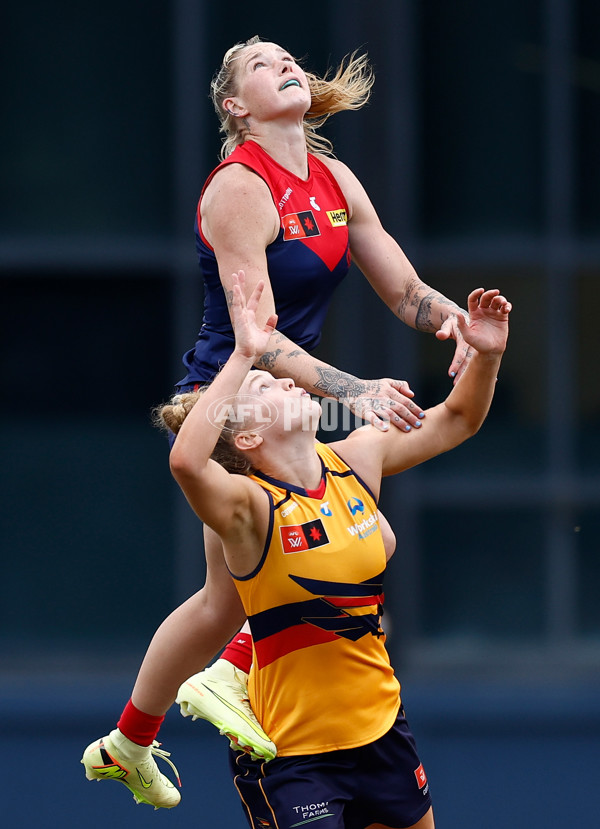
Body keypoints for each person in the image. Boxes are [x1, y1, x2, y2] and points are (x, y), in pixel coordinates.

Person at [81, 36, 477, 810]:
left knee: (247, 593)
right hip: (232, 400)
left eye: (288, 56)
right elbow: (256, 336)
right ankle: (208, 685)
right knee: (255, 586)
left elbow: (404, 290)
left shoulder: (335, 178)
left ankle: (144, 730)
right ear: (235, 106)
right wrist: (356, 390)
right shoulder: (239, 187)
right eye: (262, 64)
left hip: (289, 397)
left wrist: (456, 322)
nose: (286, 64)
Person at [162, 272, 510, 828]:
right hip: (293, 758)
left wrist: (487, 355)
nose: (287, 381)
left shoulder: (357, 457)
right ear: (248, 438)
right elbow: (186, 462)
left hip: (383, 733)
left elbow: (458, 418)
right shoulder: (249, 508)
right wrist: (243, 355)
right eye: (265, 388)